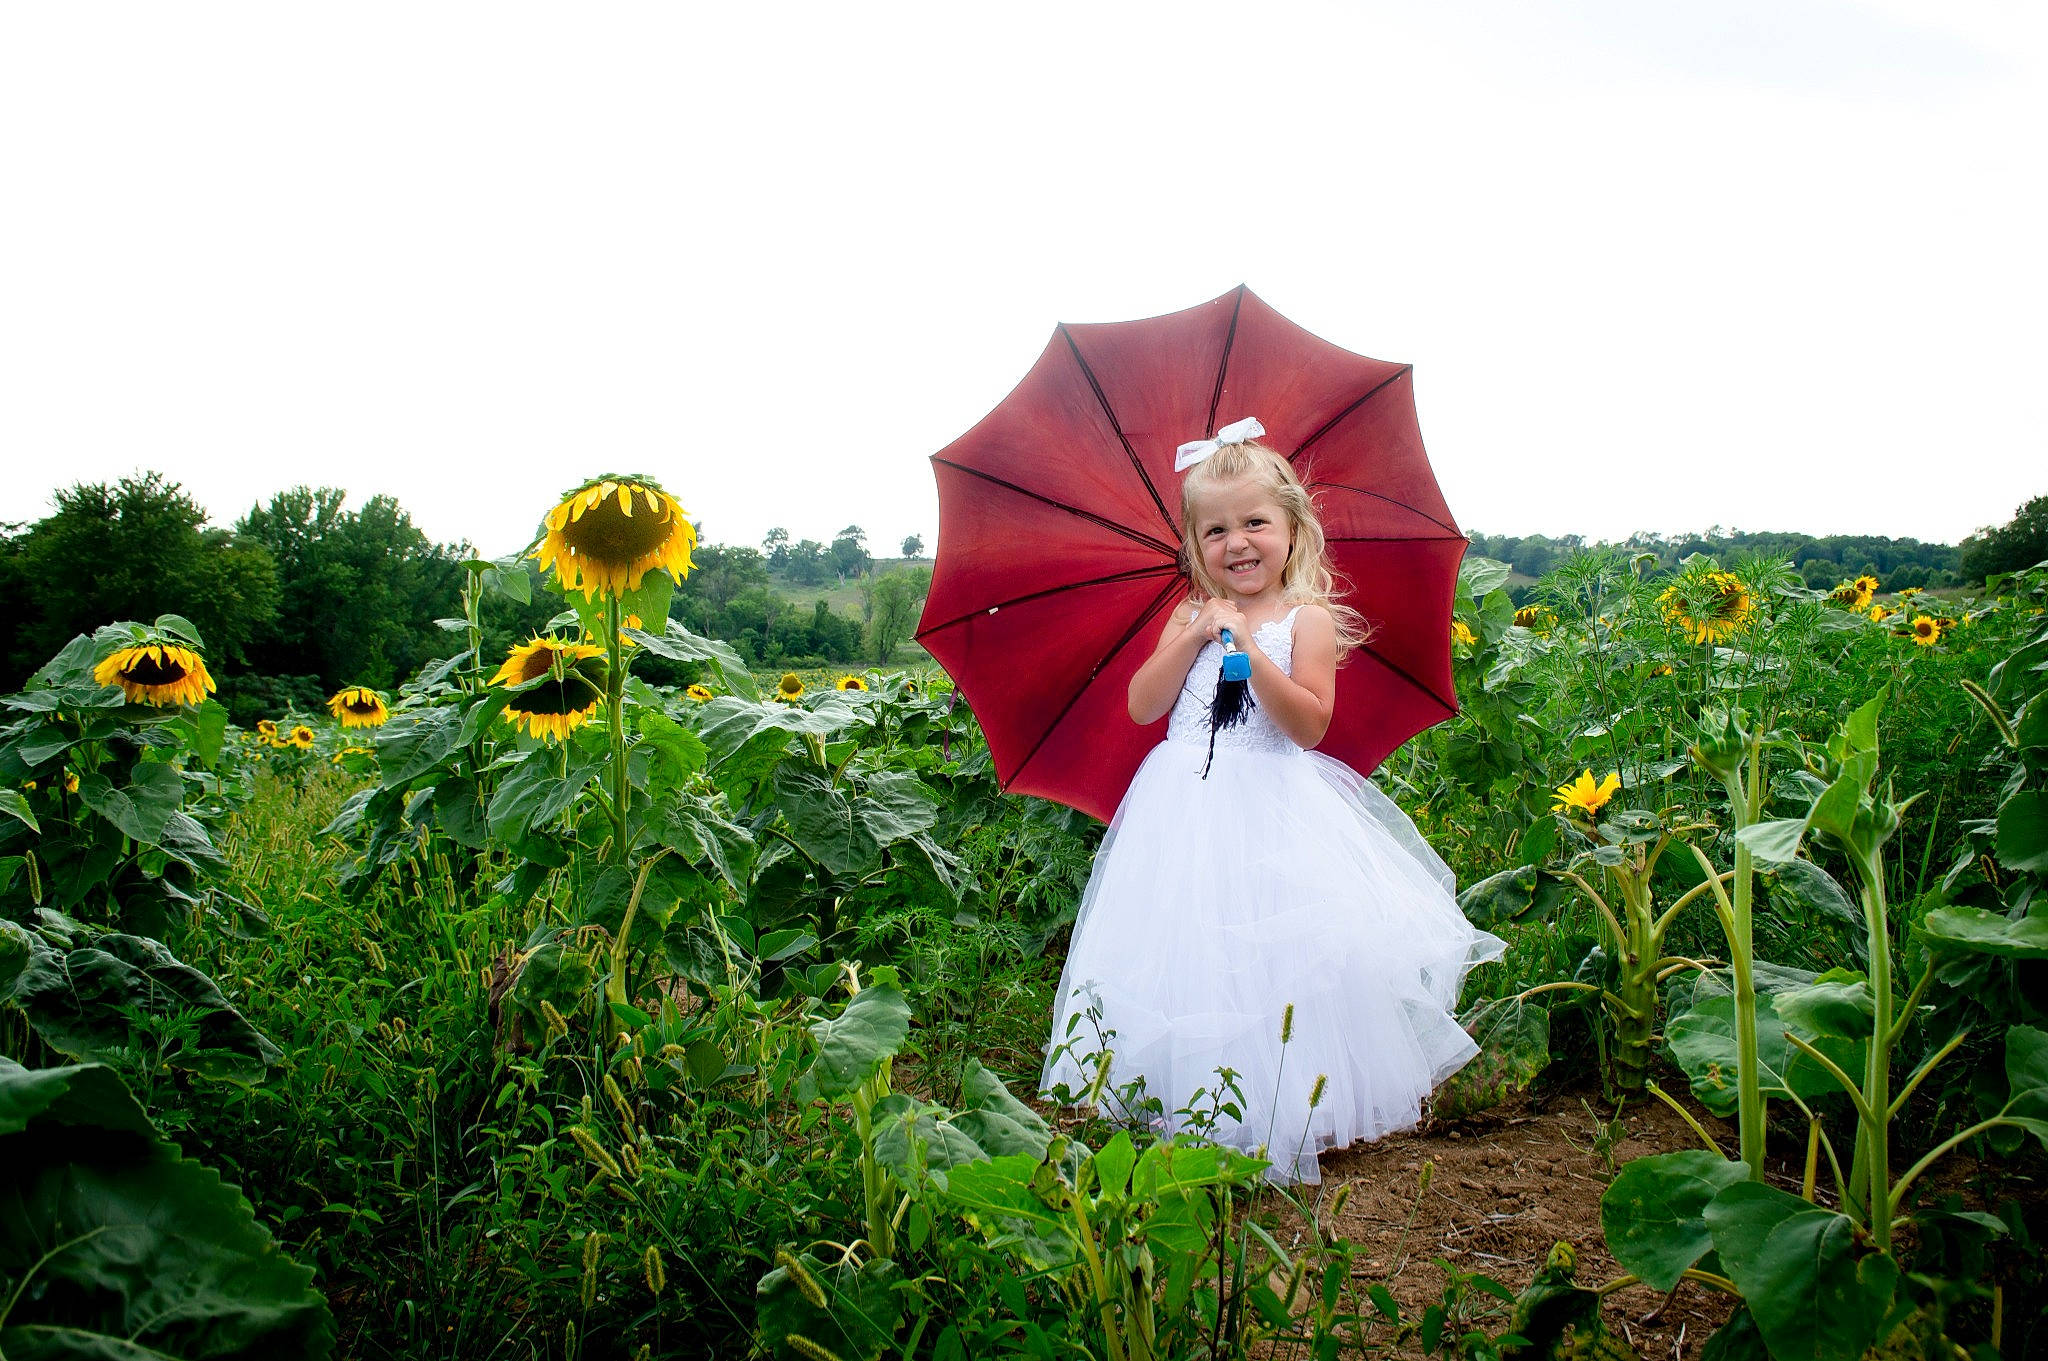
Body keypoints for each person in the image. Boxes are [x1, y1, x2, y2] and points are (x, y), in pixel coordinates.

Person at [1039, 422, 1503, 1184]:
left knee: (1269, 963)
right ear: (1194, 546)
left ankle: (1280, 1107)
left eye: (1255, 522)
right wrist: (1195, 637)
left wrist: (1249, 652)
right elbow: (1140, 705)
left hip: (1273, 808)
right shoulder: (1187, 616)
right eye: (1215, 529)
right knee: (1185, 951)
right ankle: (1175, 1096)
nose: (1238, 542)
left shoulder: (1306, 620)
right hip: (1180, 809)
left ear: (1292, 529)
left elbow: (1308, 724)